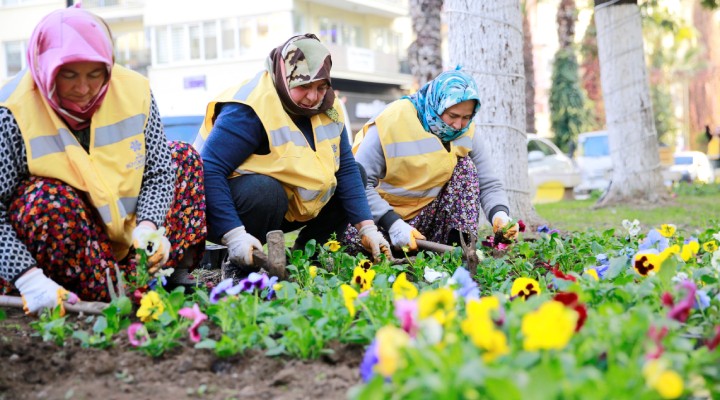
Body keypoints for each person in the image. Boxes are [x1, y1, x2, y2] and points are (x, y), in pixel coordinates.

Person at [0, 7, 206, 315]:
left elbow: (159, 171)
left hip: (126, 240)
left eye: (95, 75)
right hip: (64, 249)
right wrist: (27, 278)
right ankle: (96, 290)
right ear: (44, 67)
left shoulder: (134, 89)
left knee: (183, 158)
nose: (83, 89)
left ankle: (145, 277)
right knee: (45, 201)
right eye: (68, 76)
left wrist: (148, 226)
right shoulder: (13, 111)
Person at [195, 34, 391, 269]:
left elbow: (346, 168)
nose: (313, 97)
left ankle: (308, 259)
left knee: (356, 173)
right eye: (303, 86)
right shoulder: (249, 108)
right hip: (223, 209)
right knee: (266, 191)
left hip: (284, 210)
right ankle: (240, 264)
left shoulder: (329, 106)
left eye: (321, 87)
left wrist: (367, 227)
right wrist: (234, 235)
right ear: (283, 76)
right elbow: (209, 169)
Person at [345, 68, 518, 252]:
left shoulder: (466, 131)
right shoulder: (392, 121)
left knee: (465, 167)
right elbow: (357, 184)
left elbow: (488, 182)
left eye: (466, 117)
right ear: (438, 103)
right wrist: (393, 223)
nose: (458, 125)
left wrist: (500, 214)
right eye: (453, 116)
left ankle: (456, 252)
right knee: (354, 242)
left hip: (424, 223)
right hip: (378, 221)